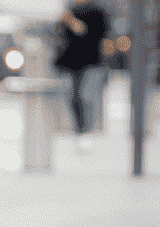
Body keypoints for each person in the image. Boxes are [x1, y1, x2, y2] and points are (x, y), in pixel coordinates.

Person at [53, 0, 109, 147]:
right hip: (70, 62)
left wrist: (70, 20)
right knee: (70, 95)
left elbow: (84, 31)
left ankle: (86, 131)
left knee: (87, 96)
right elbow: (61, 36)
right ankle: (79, 129)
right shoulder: (71, 10)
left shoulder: (96, 11)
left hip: (91, 61)